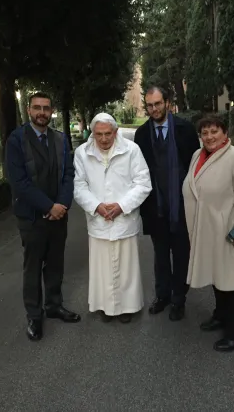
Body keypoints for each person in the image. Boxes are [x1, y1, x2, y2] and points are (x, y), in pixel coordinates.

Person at [182, 114, 234, 352]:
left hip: (230, 233)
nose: (209, 137)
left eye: (214, 131)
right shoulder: (197, 156)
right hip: (206, 231)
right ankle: (221, 316)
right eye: (205, 133)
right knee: (218, 278)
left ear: (225, 133)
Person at [6, 92, 81, 341]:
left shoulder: (60, 139)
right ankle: (34, 316)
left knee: (56, 263)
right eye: (37, 108)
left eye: (46, 108)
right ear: (29, 110)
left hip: (59, 215)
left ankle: (54, 305)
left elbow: (69, 174)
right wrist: (50, 206)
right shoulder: (16, 140)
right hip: (32, 217)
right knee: (32, 266)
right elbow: (19, 182)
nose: (42, 112)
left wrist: (63, 204)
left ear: (52, 111)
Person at [74, 113, 152, 323]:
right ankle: (104, 307)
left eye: (108, 134)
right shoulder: (82, 153)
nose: (104, 139)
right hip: (99, 220)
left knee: (127, 269)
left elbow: (143, 183)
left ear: (116, 132)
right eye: (99, 134)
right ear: (93, 133)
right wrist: (97, 206)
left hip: (124, 218)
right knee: (101, 270)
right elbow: (79, 186)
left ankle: (128, 307)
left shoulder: (132, 150)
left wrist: (121, 206)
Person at [134, 87, 200, 321]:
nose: (154, 109)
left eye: (158, 104)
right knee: (160, 254)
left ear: (168, 103)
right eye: (150, 105)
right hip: (155, 206)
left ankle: (178, 300)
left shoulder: (185, 129)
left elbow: (195, 168)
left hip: (182, 206)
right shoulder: (141, 134)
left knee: (181, 253)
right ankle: (162, 296)